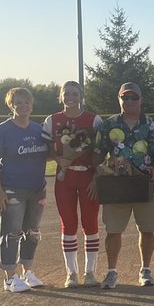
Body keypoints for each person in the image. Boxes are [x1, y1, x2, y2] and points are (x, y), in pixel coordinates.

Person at [94, 82, 154, 288]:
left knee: (147, 229)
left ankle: (145, 270)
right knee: (113, 230)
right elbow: (98, 153)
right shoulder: (108, 125)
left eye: (133, 97)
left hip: (146, 184)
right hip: (116, 186)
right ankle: (111, 272)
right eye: (125, 97)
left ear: (141, 99)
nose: (129, 101)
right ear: (119, 99)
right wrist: (100, 172)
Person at [0, 87, 50, 293]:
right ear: (11, 106)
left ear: (32, 105)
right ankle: (9, 277)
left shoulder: (37, 130)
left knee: (32, 232)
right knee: (11, 233)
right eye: (18, 103)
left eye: (27, 102)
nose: (23, 106)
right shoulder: (2, 131)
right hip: (12, 188)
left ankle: (27, 271)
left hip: (37, 189)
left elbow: (46, 155)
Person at [42, 80, 102, 287]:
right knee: (68, 224)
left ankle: (91, 272)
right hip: (65, 177)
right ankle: (71, 273)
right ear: (61, 96)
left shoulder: (94, 120)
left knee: (90, 223)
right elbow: (46, 149)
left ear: (81, 96)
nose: (70, 97)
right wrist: (59, 159)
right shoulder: (52, 120)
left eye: (75, 94)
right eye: (66, 93)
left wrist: (97, 177)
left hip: (88, 176)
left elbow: (101, 152)